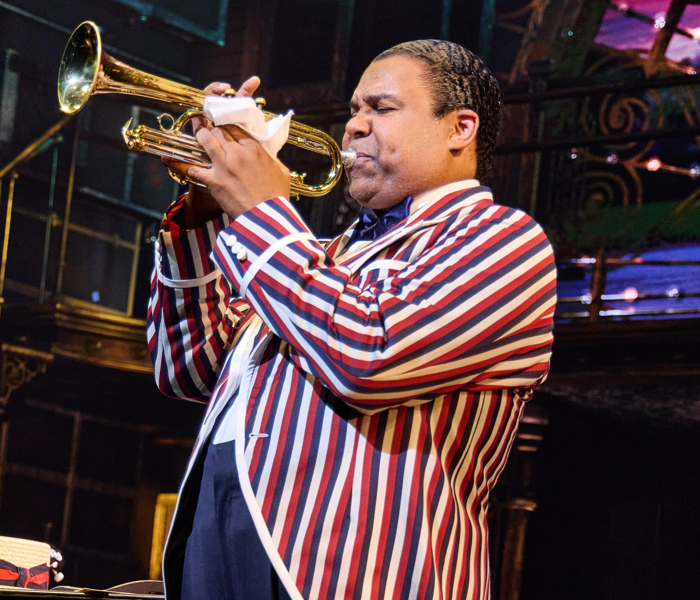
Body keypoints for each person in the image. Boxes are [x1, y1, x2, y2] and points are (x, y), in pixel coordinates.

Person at [148, 40, 556, 600]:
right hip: (219, 539)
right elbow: (188, 368)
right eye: (353, 111)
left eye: (381, 109)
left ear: (460, 128)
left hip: (356, 573)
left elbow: (368, 356)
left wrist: (263, 212)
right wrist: (204, 214)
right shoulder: (321, 255)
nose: (353, 127)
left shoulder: (502, 241)